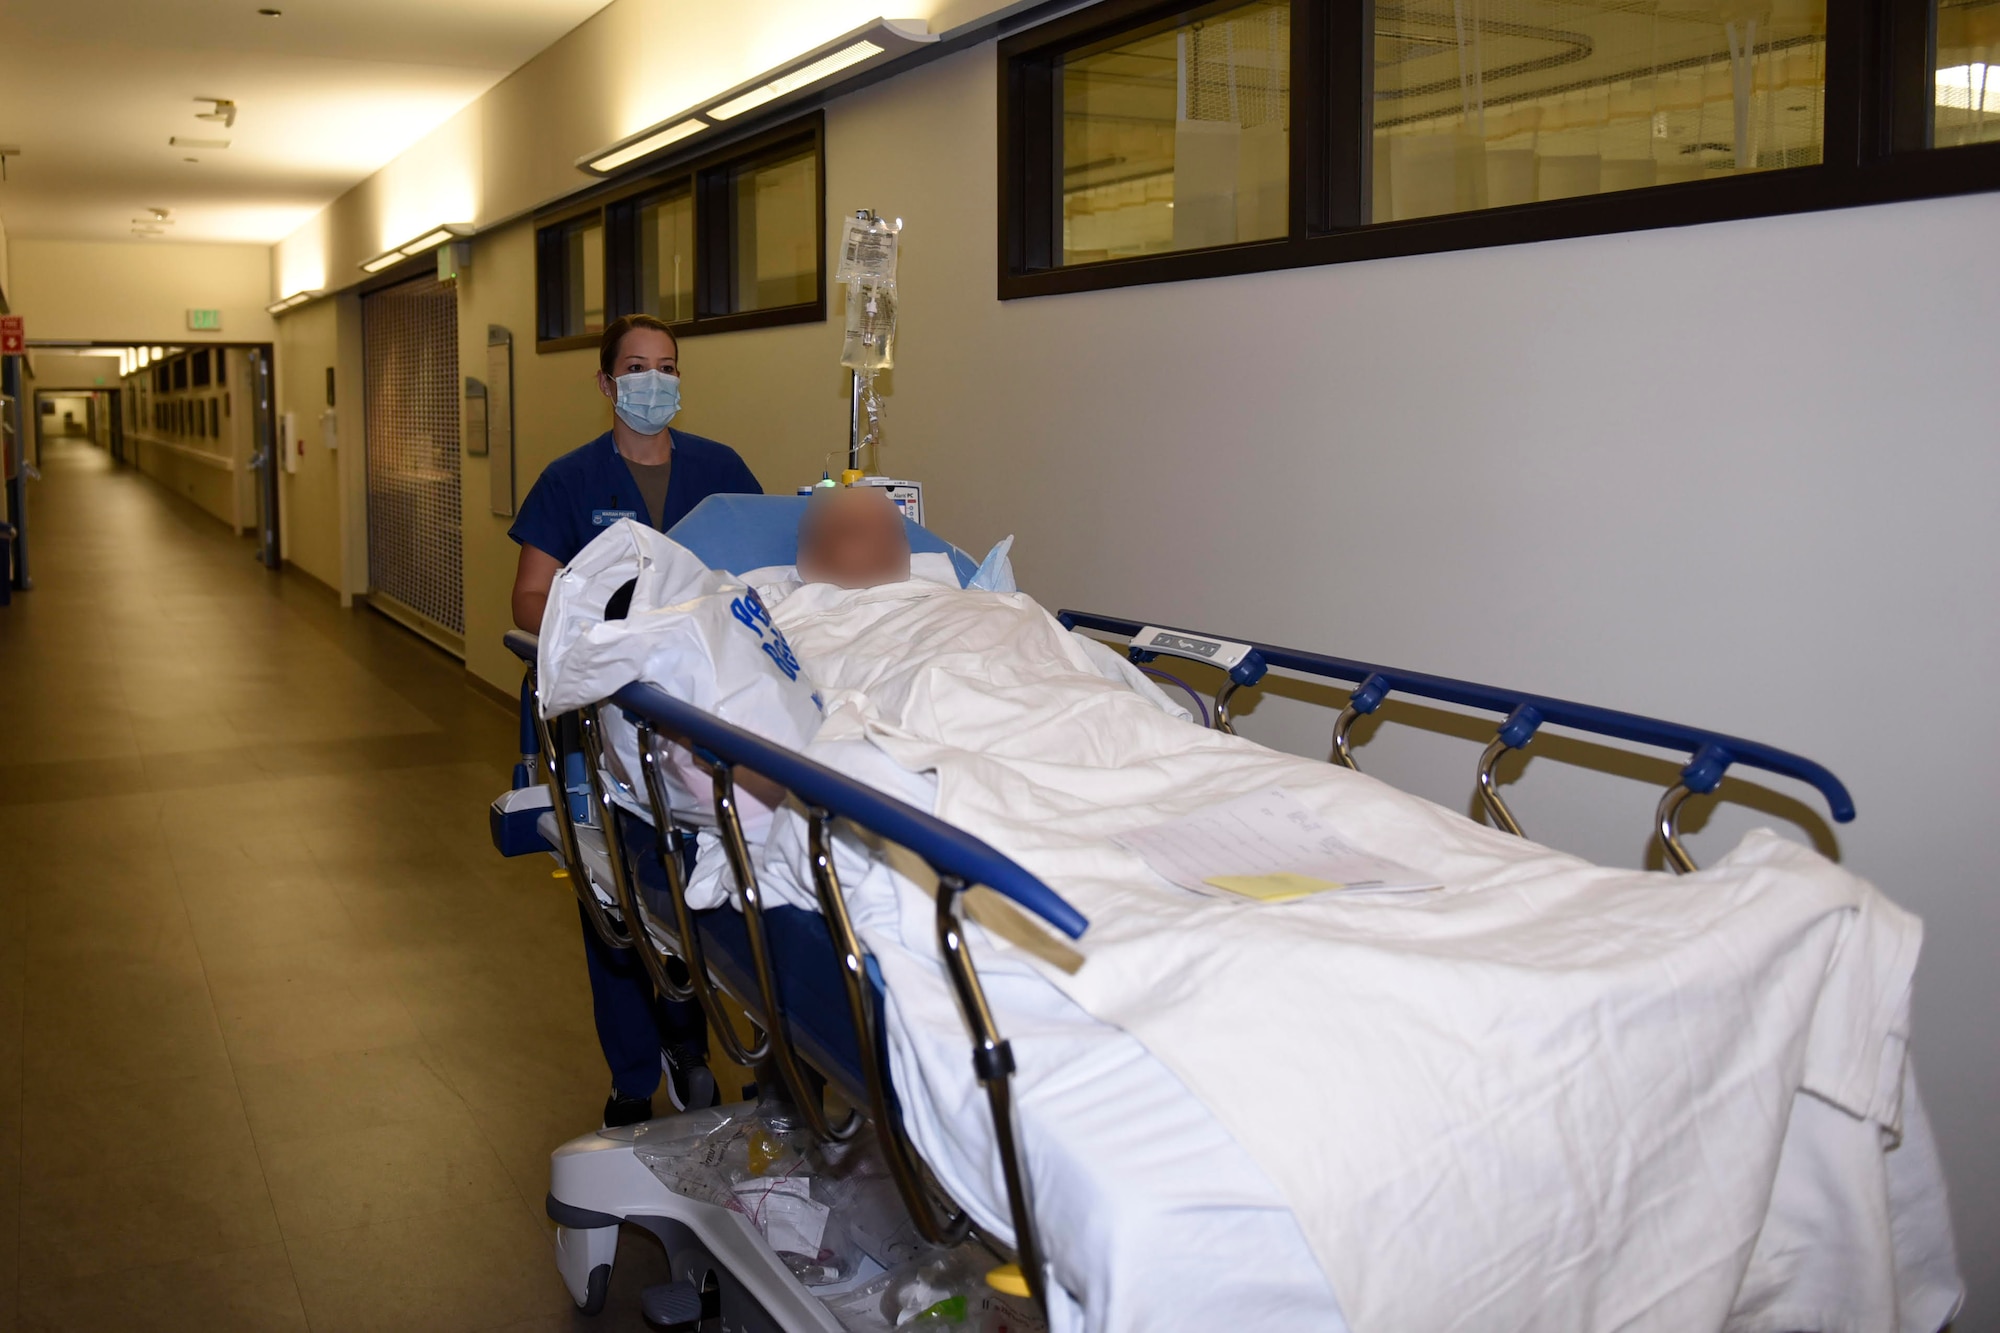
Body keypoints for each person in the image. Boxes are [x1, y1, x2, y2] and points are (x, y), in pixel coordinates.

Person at [509, 312, 761, 1127]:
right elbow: (528, 598)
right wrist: (613, 632)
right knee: (617, 901)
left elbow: (759, 587)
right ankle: (629, 1075)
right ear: (607, 382)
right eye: (637, 367)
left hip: (698, 724)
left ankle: (690, 1048)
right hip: (606, 729)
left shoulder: (722, 474)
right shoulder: (571, 480)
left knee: (699, 891)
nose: (655, 382)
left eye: (668, 366)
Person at [796, 486, 912, 589]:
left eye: (895, 531)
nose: (884, 544)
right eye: (859, 531)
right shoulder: (793, 610)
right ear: (817, 556)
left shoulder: (928, 593)